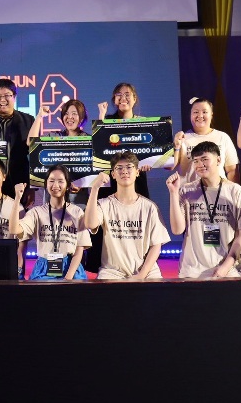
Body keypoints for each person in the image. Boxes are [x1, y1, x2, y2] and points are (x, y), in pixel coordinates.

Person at [166, 141, 241, 278]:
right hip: (192, 270)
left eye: (205, 159)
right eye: (196, 161)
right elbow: (177, 230)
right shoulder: (186, 191)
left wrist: (226, 267)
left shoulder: (235, 191)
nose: (200, 165)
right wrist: (173, 193)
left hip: (227, 270)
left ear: (218, 160)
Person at [84, 152, 170, 280]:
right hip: (112, 271)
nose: (124, 171)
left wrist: (141, 275)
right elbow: (90, 224)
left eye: (129, 167)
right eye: (119, 168)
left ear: (137, 172)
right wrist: (95, 188)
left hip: (146, 271)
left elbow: (156, 245)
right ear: (113, 174)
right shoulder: (104, 204)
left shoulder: (149, 207)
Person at [10, 164, 90, 280]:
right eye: (51, 181)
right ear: (46, 184)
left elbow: (79, 249)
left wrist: (68, 278)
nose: (55, 185)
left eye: (60, 181)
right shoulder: (36, 212)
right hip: (43, 269)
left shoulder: (77, 212)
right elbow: (14, 229)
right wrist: (17, 198)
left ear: (68, 185)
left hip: (71, 268)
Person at [96, 82, 152, 198]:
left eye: (127, 94)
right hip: (111, 179)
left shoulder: (143, 123)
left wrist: (149, 161)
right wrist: (101, 116)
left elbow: (150, 150)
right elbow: (100, 148)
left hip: (136, 180)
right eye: (119, 95)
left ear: (134, 99)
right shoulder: (107, 120)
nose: (123, 98)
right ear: (114, 100)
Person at [172, 97, 240, 186]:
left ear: (211, 115)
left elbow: (232, 170)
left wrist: (232, 191)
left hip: (218, 192)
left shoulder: (222, 137)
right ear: (190, 115)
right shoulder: (181, 139)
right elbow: (170, 166)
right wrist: (176, 146)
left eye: (204, 112)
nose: (200, 116)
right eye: (196, 112)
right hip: (189, 192)